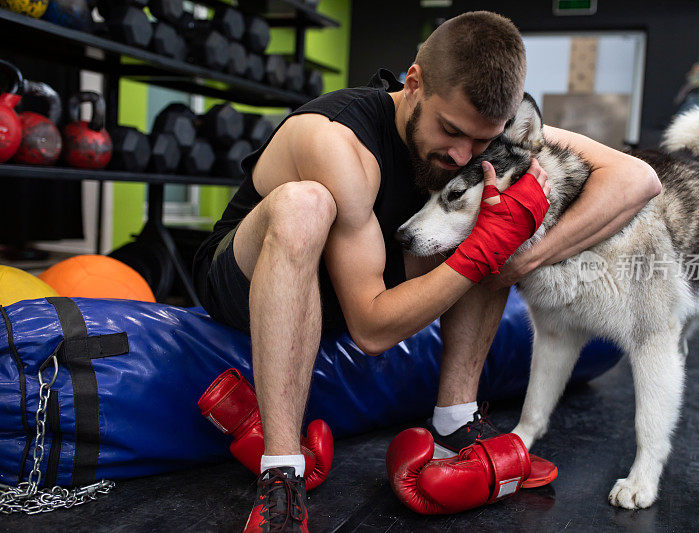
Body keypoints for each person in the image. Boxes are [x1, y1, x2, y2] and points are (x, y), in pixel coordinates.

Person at [192, 11, 661, 532]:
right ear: (413, 83)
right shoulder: (338, 141)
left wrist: (520, 258)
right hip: (250, 276)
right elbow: (370, 330)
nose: (461, 153)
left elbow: (638, 179)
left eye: (480, 140)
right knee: (305, 205)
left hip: (356, 277)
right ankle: (281, 472)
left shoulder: (486, 135)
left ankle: (456, 422)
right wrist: (486, 252)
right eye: (450, 130)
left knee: (494, 207)